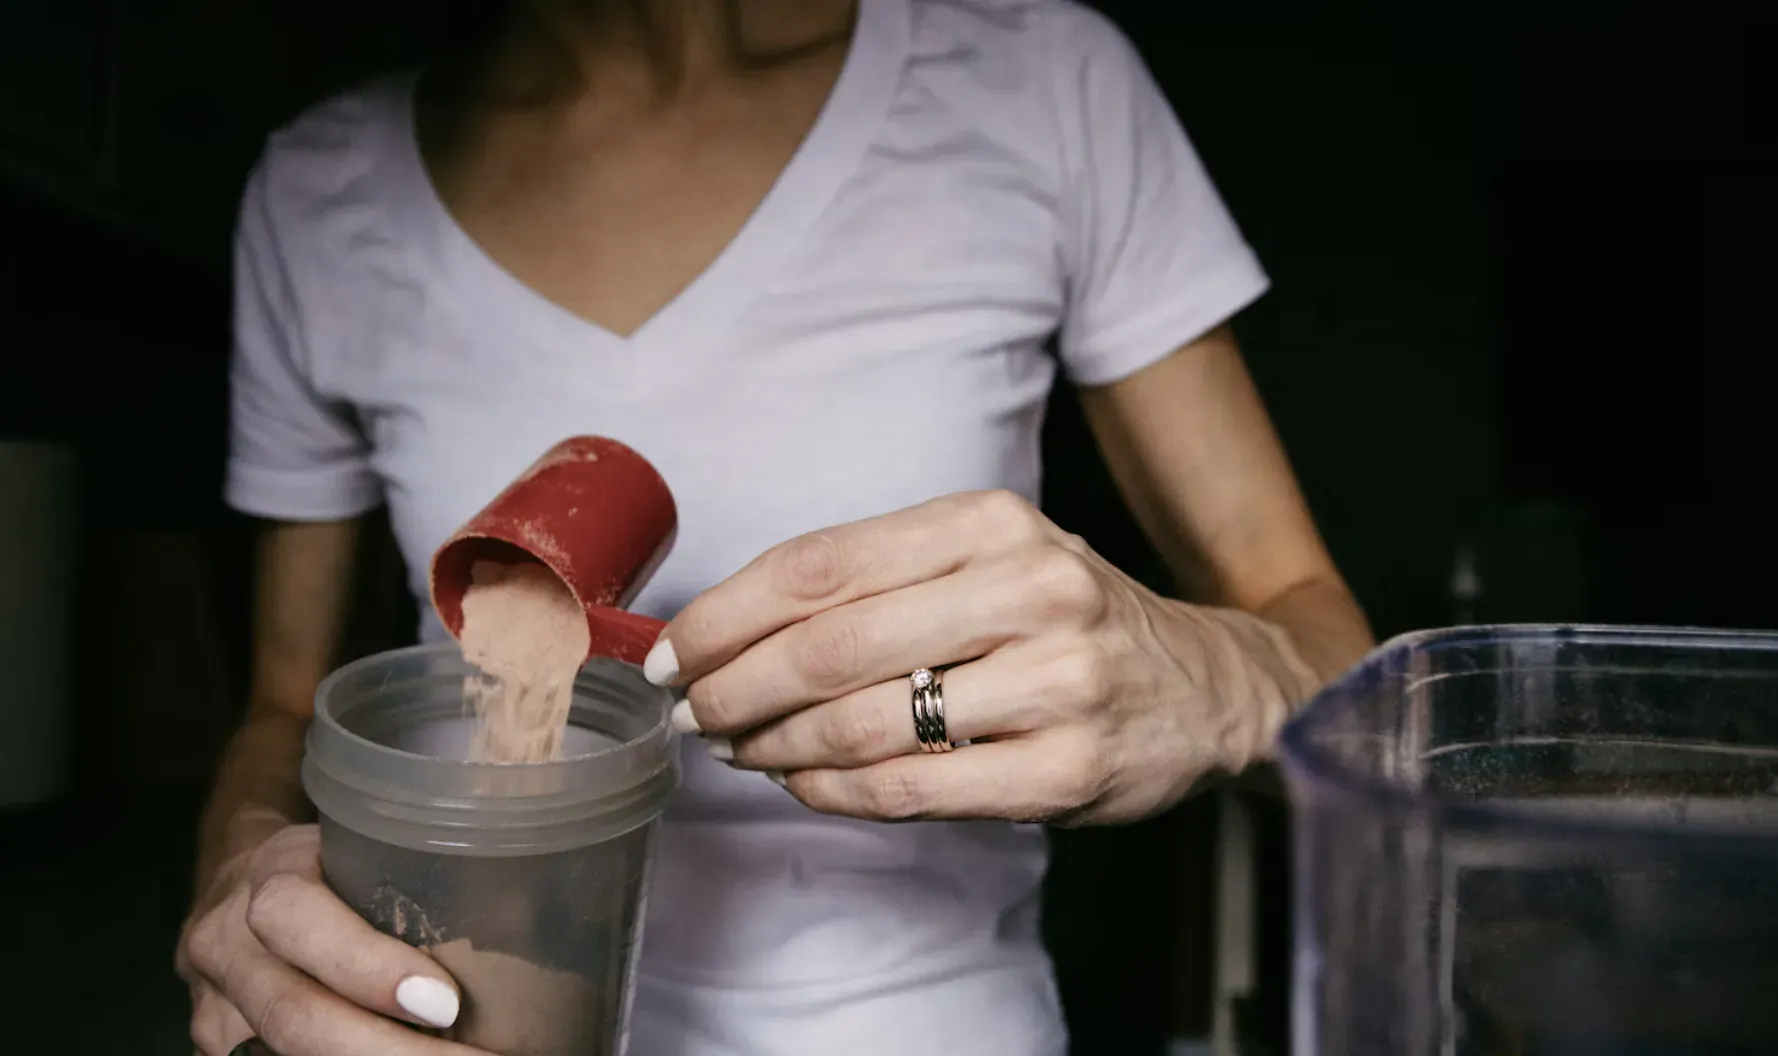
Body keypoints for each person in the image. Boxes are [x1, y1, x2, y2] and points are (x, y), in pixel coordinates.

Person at [177, 0, 1374, 1052]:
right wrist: (241, 867)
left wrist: (1222, 676)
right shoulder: (317, 193)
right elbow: (284, 710)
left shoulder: (1039, 82)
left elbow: (1319, 641)